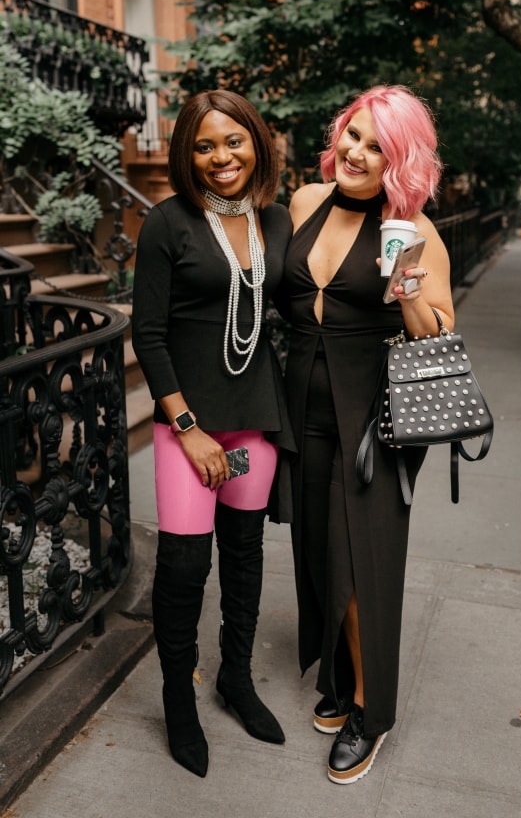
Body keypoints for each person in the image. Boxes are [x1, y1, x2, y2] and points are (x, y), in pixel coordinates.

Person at [283, 84, 454, 784]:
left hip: (373, 418)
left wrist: (406, 283)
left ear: (399, 160)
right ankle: (339, 676)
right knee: (321, 553)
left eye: (376, 146)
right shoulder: (303, 202)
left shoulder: (412, 228)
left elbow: (438, 333)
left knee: (362, 566)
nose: (356, 152)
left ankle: (368, 709)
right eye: (351, 136)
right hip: (305, 408)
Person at [131, 89, 295, 778]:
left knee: (246, 556)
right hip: (188, 426)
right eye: (204, 145)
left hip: (253, 413)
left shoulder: (277, 221)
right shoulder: (168, 222)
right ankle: (178, 701)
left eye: (234, 141)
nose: (221, 156)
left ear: (256, 143)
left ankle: (236, 678)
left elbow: (304, 301)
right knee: (184, 568)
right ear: (187, 155)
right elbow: (149, 333)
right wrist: (189, 427)